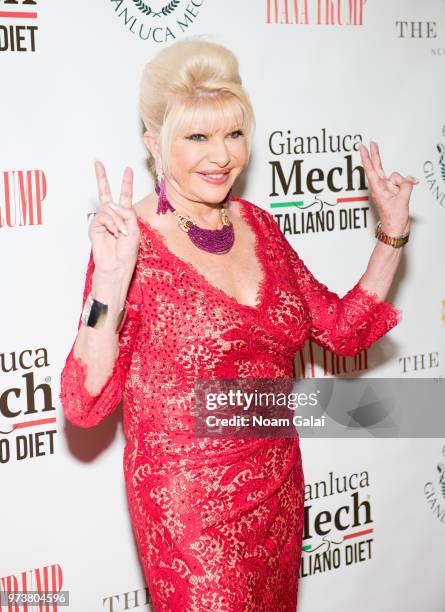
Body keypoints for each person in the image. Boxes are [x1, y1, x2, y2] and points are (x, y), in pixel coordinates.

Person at [59, 38, 416, 611]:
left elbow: (344, 330)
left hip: (278, 484)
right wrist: (108, 284)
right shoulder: (132, 245)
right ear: (155, 144)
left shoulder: (261, 227)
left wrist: (392, 232)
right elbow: (84, 404)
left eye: (234, 133)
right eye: (197, 137)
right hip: (190, 510)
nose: (221, 155)